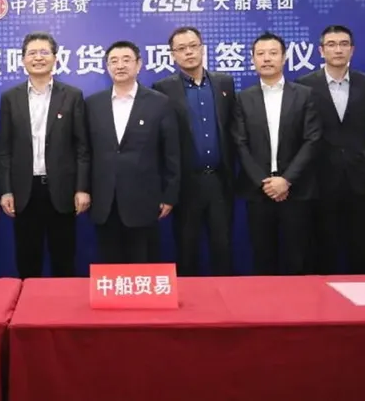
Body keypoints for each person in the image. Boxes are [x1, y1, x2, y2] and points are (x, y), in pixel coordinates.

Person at [0, 32, 90, 278]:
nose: (38, 58)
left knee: (64, 259)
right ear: (23, 60)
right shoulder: (10, 98)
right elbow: (4, 149)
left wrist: (82, 188)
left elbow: (82, 147)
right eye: (32, 53)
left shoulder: (72, 95)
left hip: (62, 190)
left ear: (55, 58)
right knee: (28, 260)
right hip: (25, 191)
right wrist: (6, 190)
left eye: (44, 52)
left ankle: (64, 303)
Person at [233, 32, 321, 275]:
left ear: (284, 58)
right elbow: (240, 143)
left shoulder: (304, 94)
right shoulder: (243, 98)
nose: (267, 59)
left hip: (296, 190)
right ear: (252, 60)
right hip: (258, 191)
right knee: (263, 259)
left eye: (273, 53)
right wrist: (265, 183)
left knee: (298, 258)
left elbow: (312, 139)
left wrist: (287, 179)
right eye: (260, 54)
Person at [85, 40, 180, 264]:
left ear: (139, 64)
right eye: (114, 61)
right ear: (107, 67)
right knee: (109, 268)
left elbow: (171, 153)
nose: (120, 65)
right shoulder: (92, 104)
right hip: (104, 201)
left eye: (126, 60)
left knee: (143, 266)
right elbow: (85, 152)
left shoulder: (160, 103)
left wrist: (169, 195)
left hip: (144, 201)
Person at [153, 26, 236, 276]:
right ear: (172, 55)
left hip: (220, 180)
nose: (188, 52)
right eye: (181, 48)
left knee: (223, 249)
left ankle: (225, 299)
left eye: (193, 46)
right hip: (186, 184)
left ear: (202, 48)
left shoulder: (224, 83)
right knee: (187, 250)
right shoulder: (163, 88)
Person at [297, 25, 365, 274]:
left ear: (352, 49)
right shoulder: (305, 85)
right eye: (331, 45)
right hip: (321, 176)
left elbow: (363, 124)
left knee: (360, 246)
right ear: (321, 51)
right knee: (323, 246)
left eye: (344, 44)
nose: (338, 49)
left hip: (358, 175)